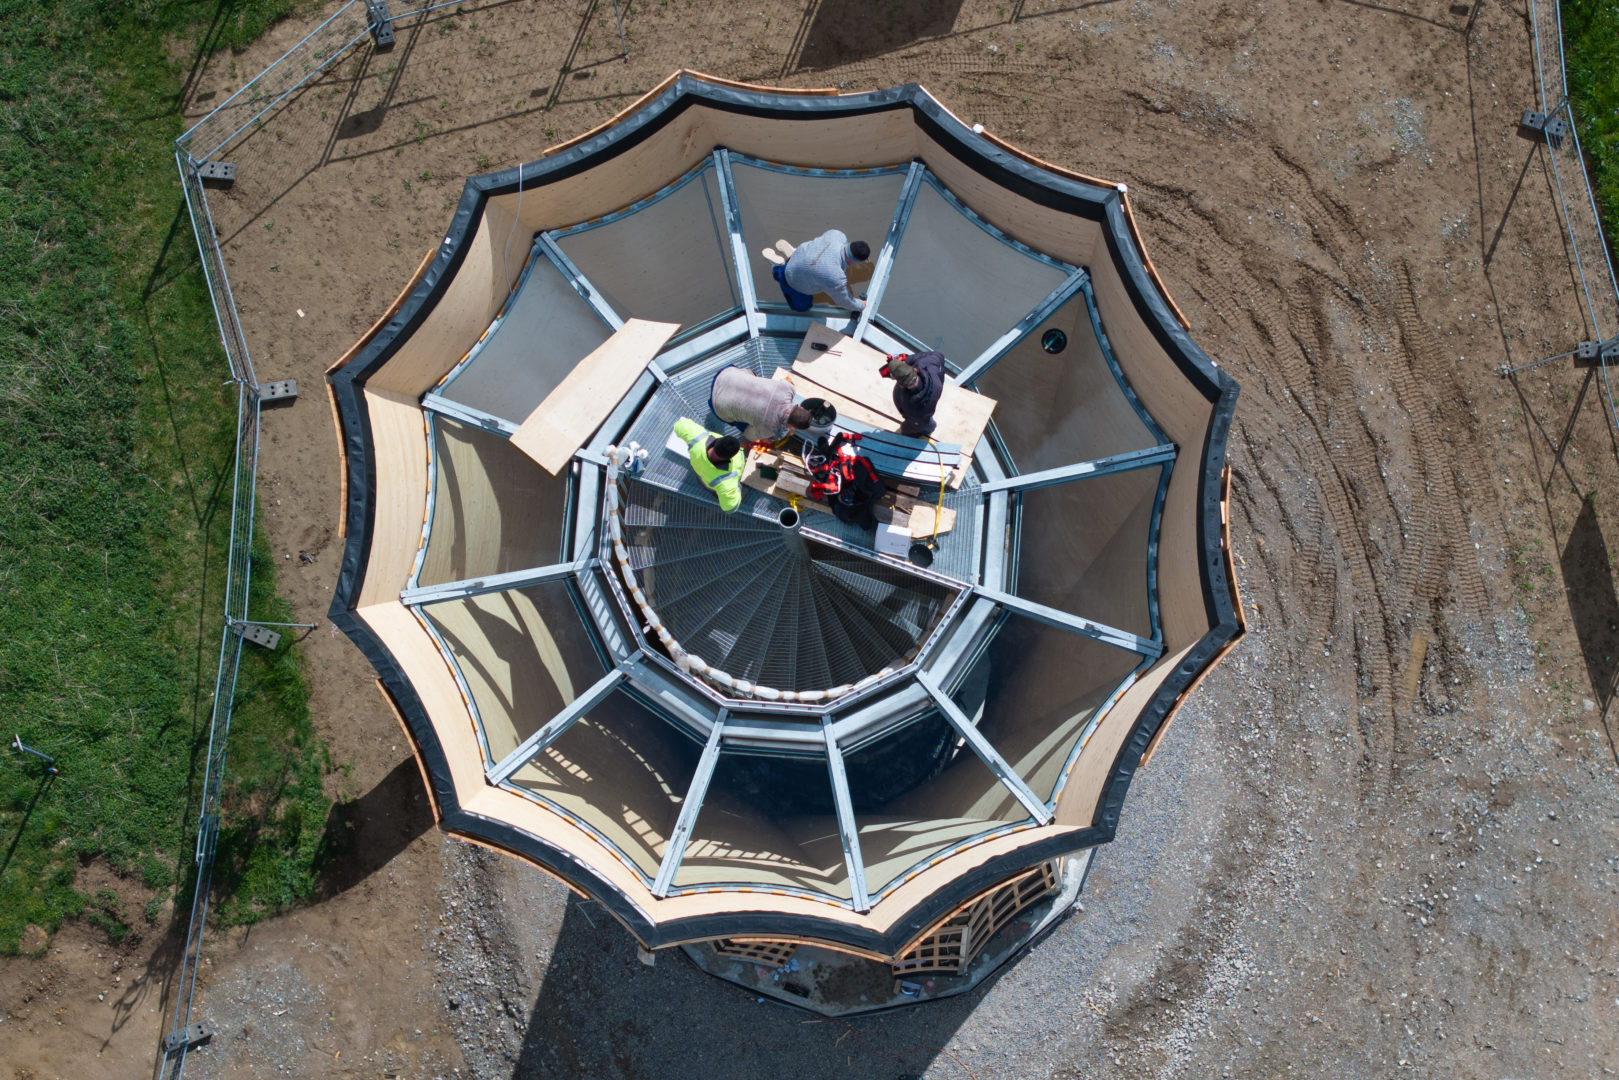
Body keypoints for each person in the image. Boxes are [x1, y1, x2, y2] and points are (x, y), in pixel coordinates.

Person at [764, 231, 870, 312]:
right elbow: (844, 301)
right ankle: (776, 267)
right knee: (801, 306)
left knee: (809, 261)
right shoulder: (836, 276)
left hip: (802, 254)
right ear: (853, 262)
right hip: (792, 278)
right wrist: (862, 305)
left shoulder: (837, 235)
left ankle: (793, 254)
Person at [710, 366, 814, 444]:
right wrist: (764, 437)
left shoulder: (788, 389)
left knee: (755, 377)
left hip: (726, 374)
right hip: (717, 403)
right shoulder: (769, 429)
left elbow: (784, 382)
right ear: (790, 425)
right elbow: (748, 435)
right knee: (748, 428)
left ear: (801, 407)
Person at [672, 418, 744, 512]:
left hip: (702, 476)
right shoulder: (726, 482)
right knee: (734, 489)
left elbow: (679, 425)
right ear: (729, 458)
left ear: (718, 440)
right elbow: (730, 508)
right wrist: (738, 488)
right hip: (714, 484)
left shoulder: (697, 439)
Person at [886, 351, 945, 438]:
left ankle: (928, 430)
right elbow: (939, 355)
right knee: (923, 419)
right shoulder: (929, 363)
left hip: (922, 418)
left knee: (927, 424)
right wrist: (908, 360)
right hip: (933, 396)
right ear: (915, 369)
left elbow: (916, 425)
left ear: (901, 385)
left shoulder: (910, 406)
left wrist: (904, 430)